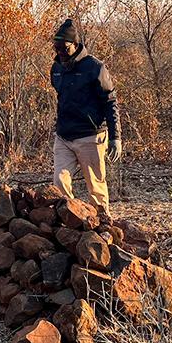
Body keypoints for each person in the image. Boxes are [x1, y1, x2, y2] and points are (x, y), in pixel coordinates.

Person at [50, 18, 121, 217]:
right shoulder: (56, 69)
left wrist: (116, 138)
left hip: (90, 136)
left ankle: (103, 223)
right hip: (64, 136)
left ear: (75, 44)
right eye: (56, 48)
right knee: (59, 182)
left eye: (64, 48)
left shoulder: (95, 67)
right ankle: (71, 222)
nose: (60, 53)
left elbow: (110, 102)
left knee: (96, 187)